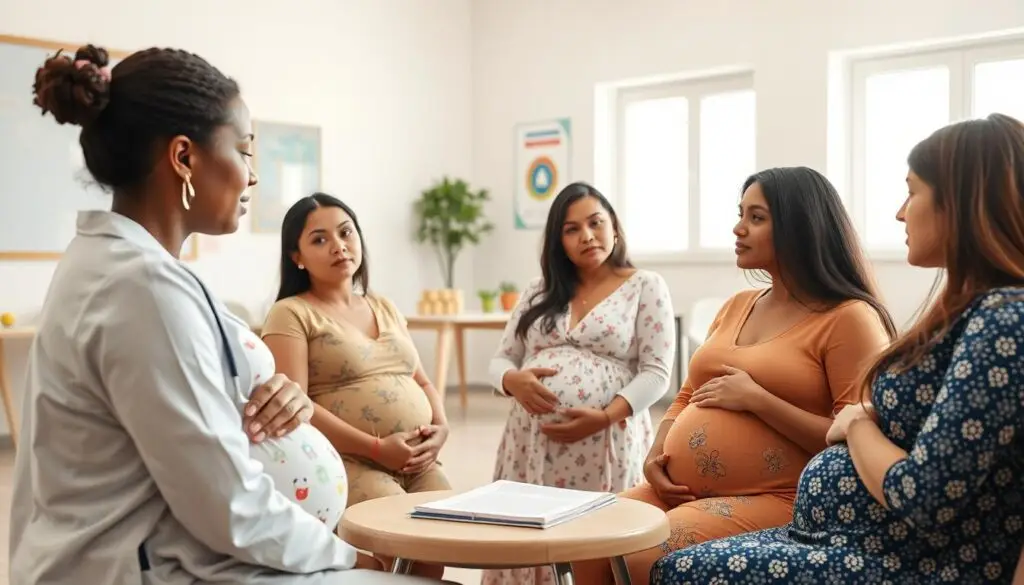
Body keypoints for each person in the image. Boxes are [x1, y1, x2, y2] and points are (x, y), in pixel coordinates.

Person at [10, 44, 446, 585]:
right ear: (185, 158)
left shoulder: (127, 268)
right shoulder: (142, 288)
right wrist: (348, 556)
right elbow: (227, 508)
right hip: (153, 567)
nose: (252, 176)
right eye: (243, 151)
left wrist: (282, 394)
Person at [652, 114, 1024, 584]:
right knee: (598, 530)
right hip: (845, 535)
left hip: (895, 555)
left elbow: (923, 492)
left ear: (963, 202)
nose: (900, 212)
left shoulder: (1002, 321)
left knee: (675, 567)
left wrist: (857, 424)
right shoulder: (967, 312)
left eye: (912, 191)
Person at [573, 166, 898, 585]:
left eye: (756, 218)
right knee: (584, 543)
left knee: (638, 561)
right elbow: (689, 392)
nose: (738, 228)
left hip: (777, 498)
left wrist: (759, 400)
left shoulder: (849, 319)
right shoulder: (738, 304)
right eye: (740, 214)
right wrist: (656, 456)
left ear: (800, 228)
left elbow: (853, 438)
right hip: (678, 489)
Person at [482, 182, 676, 585]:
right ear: (559, 242)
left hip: (605, 441)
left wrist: (605, 416)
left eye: (596, 223)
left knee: (589, 541)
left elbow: (657, 371)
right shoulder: (539, 291)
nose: (587, 235)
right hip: (529, 445)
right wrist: (511, 380)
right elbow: (502, 358)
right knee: (528, 536)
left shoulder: (645, 285)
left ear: (615, 228)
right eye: (572, 229)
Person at [261, 194, 450, 579]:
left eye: (346, 232)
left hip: (418, 457)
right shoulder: (291, 313)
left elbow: (422, 380)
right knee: (394, 551)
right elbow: (296, 408)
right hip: (352, 462)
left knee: (436, 548)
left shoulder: (384, 306)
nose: (339, 245)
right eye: (319, 239)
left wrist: (442, 427)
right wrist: (378, 449)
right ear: (296, 256)